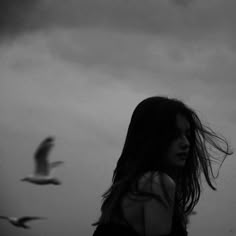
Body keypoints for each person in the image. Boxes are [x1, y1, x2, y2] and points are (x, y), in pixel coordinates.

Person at [91, 96, 233, 236]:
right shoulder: (156, 183)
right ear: (152, 138)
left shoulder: (130, 188)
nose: (186, 143)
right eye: (174, 135)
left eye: (187, 135)